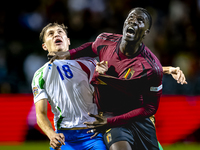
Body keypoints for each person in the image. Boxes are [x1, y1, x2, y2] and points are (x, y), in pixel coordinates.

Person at [49, 7, 187, 150]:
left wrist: (110, 121)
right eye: (130, 18)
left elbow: (150, 107)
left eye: (140, 21)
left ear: (146, 32)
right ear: (124, 22)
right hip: (111, 116)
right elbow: (92, 47)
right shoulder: (105, 40)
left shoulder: (151, 67)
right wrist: (69, 54)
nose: (133, 22)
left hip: (137, 120)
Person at [31, 23, 107, 150]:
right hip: (64, 138)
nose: (56, 34)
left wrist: (103, 78)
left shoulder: (90, 64)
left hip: (93, 136)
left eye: (60, 32)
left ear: (68, 41)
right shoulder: (40, 75)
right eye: (51, 33)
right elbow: (40, 114)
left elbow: (104, 99)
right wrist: (51, 135)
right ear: (44, 46)